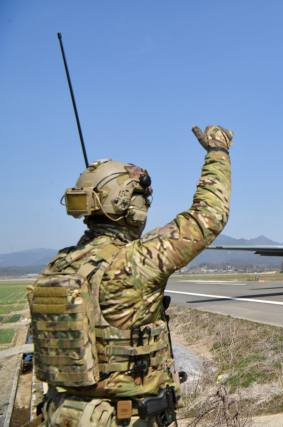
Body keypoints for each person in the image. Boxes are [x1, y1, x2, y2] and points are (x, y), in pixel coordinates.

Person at [28, 125, 234, 427]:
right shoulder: (134, 261)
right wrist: (218, 150)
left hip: (64, 415)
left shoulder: (58, 267)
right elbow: (210, 214)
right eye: (143, 199)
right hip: (127, 417)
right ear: (128, 204)